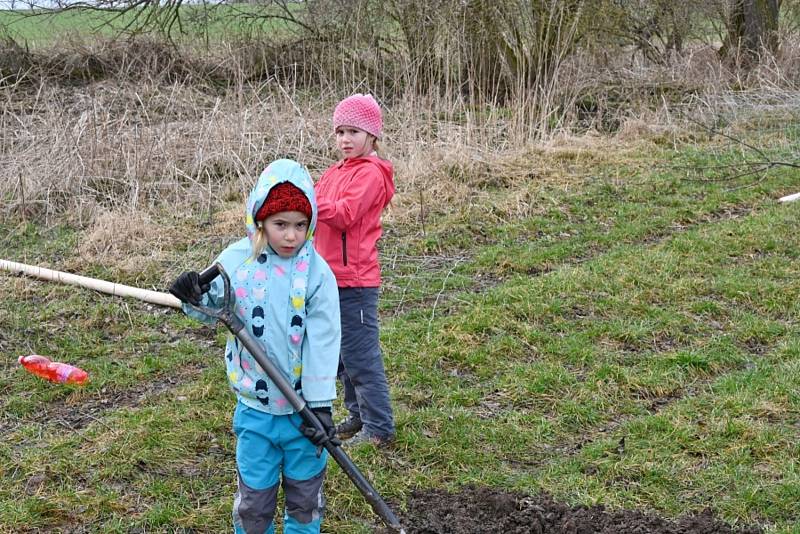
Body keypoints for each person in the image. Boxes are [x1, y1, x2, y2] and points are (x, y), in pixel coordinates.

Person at [169, 159, 341, 534]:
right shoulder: (235, 261)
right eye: (281, 224)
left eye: (300, 225)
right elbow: (209, 307)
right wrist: (191, 295)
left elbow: (324, 341)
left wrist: (321, 405)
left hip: (304, 416)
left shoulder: (317, 273)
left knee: (305, 498)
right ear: (260, 220)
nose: (291, 236)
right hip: (255, 411)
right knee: (254, 503)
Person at [313, 93, 396, 447]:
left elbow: (345, 214)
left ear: (372, 136)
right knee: (343, 356)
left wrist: (309, 201)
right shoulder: (335, 172)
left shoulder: (371, 175)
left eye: (354, 132)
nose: (345, 139)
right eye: (340, 132)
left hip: (356, 281)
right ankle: (358, 415)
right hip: (330, 278)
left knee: (361, 355)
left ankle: (378, 428)